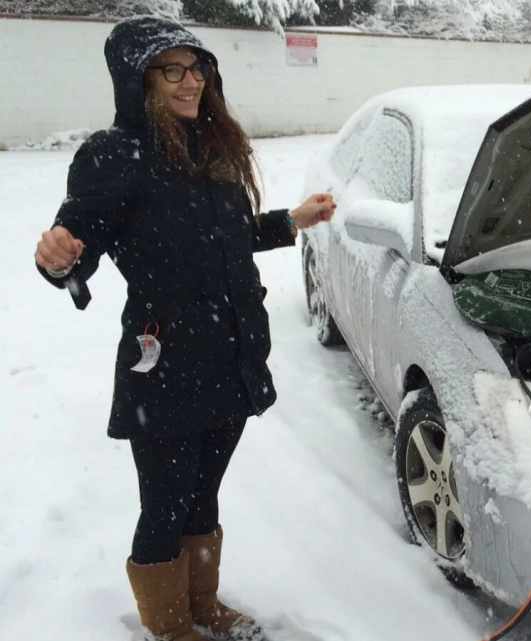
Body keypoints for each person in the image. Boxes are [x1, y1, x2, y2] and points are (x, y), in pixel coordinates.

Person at [33, 16, 335, 641]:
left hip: (233, 352)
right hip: (166, 361)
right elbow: (79, 242)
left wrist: (292, 221)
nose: (190, 81)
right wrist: (59, 259)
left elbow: (230, 239)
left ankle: (203, 603)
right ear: (138, 79)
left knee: (204, 493)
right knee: (165, 503)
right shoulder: (115, 154)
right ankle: (170, 626)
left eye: (195, 67)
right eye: (170, 69)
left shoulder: (212, 146)